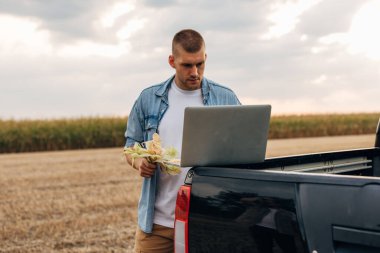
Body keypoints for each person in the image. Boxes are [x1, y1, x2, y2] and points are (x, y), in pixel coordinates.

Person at [125, 29, 241, 252]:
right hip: (158, 224)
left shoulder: (226, 97)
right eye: (187, 65)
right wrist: (139, 162)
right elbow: (131, 145)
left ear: (205, 58)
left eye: (200, 64)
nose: (195, 72)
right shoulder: (148, 99)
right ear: (172, 61)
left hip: (208, 220)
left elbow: (242, 149)